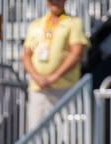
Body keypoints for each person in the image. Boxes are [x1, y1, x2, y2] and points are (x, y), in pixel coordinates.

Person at [22, 0, 87, 132]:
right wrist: (37, 77)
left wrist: (54, 77)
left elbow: (76, 53)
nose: (55, 2)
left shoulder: (73, 23)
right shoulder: (36, 25)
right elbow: (26, 56)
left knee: (70, 136)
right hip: (38, 89)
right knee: (36, 135)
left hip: (64, 89)